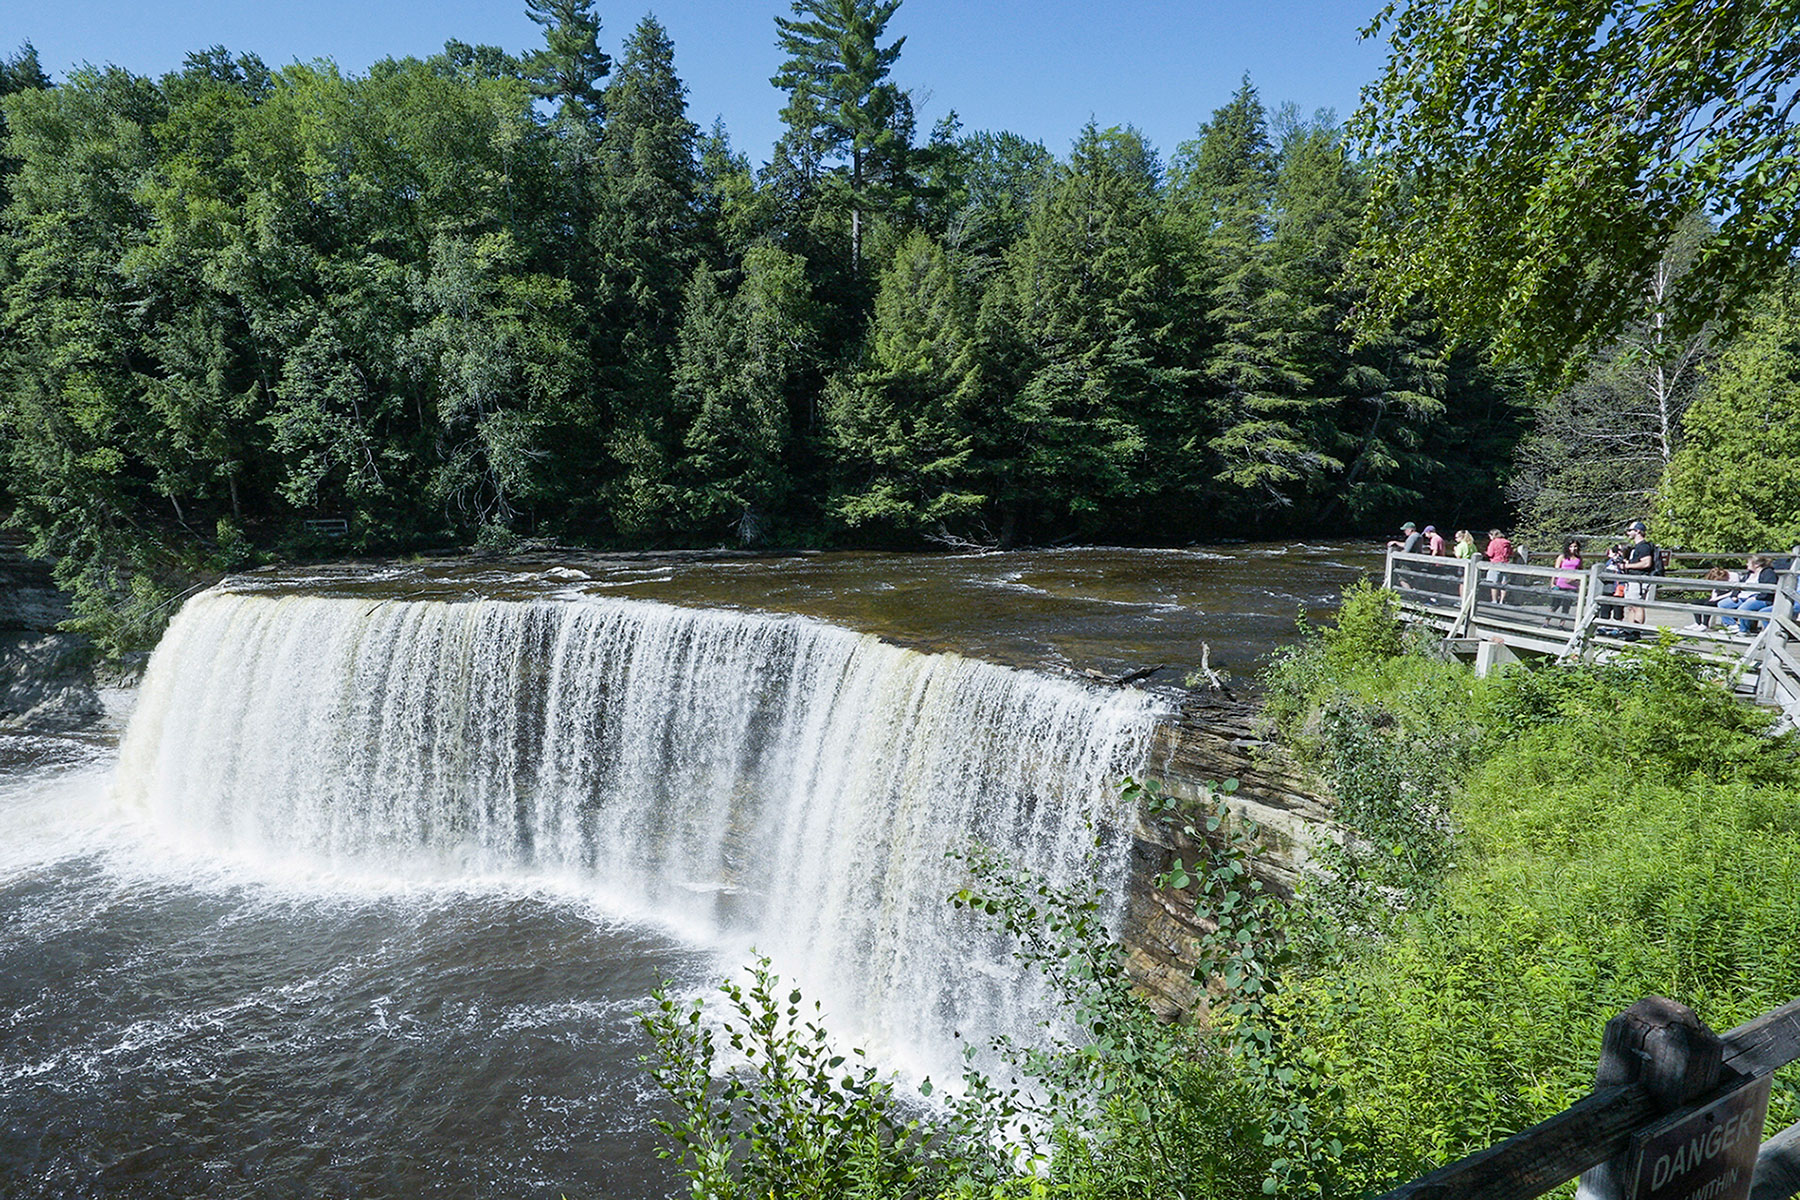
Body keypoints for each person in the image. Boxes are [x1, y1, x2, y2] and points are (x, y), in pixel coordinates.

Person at [1717, 555, 1777, 634]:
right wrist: (1734, 595)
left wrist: (1757, 597)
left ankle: (1744, 630)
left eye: (1748, 563)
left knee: (1743, 608)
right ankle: (1732, 625)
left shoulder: (1768, 573)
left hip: (1760, 598)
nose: (1747, 565)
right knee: (1723, 604)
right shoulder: (1749, 574)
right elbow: (1739, 585)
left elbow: (1770, 589)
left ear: (1756, 565)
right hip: (1743, 596)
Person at [1617, 521, 1659, 627]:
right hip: (1632, 580)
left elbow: (1646, 563)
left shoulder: (1643, 546)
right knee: (1631, 606)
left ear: (1638, 531)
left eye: (1630, 530)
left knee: (1638, 605)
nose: (1628, 533)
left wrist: (1627, 566)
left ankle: (1636, 630)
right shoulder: (1636, 547)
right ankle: (1630, 629)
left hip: (1639, 580)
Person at [1550, 539, 1582, 617]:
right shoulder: (1562, 557)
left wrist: (1575, 580)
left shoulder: (1579, 558)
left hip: (1572, 584)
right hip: (1560, 583)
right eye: (1571, 546)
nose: (1573, 549)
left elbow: (1580, 570)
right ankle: (1546, 622)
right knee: (1555, 604)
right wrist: (1552, 583)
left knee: (1566, 606)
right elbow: (1556, 570)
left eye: (1575, 547)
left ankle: (1562, 624)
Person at [1483, 528, 1514, 603]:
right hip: (1505, 563)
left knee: (1494, 583)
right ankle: (1502, 600)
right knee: (1504, 583)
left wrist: (1485, 553)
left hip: (1495, 563)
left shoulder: (1493, 542)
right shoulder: (1507, 542)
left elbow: (1490, 554)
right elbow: (1511, 553)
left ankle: (1494, 600)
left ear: (1492, 535)